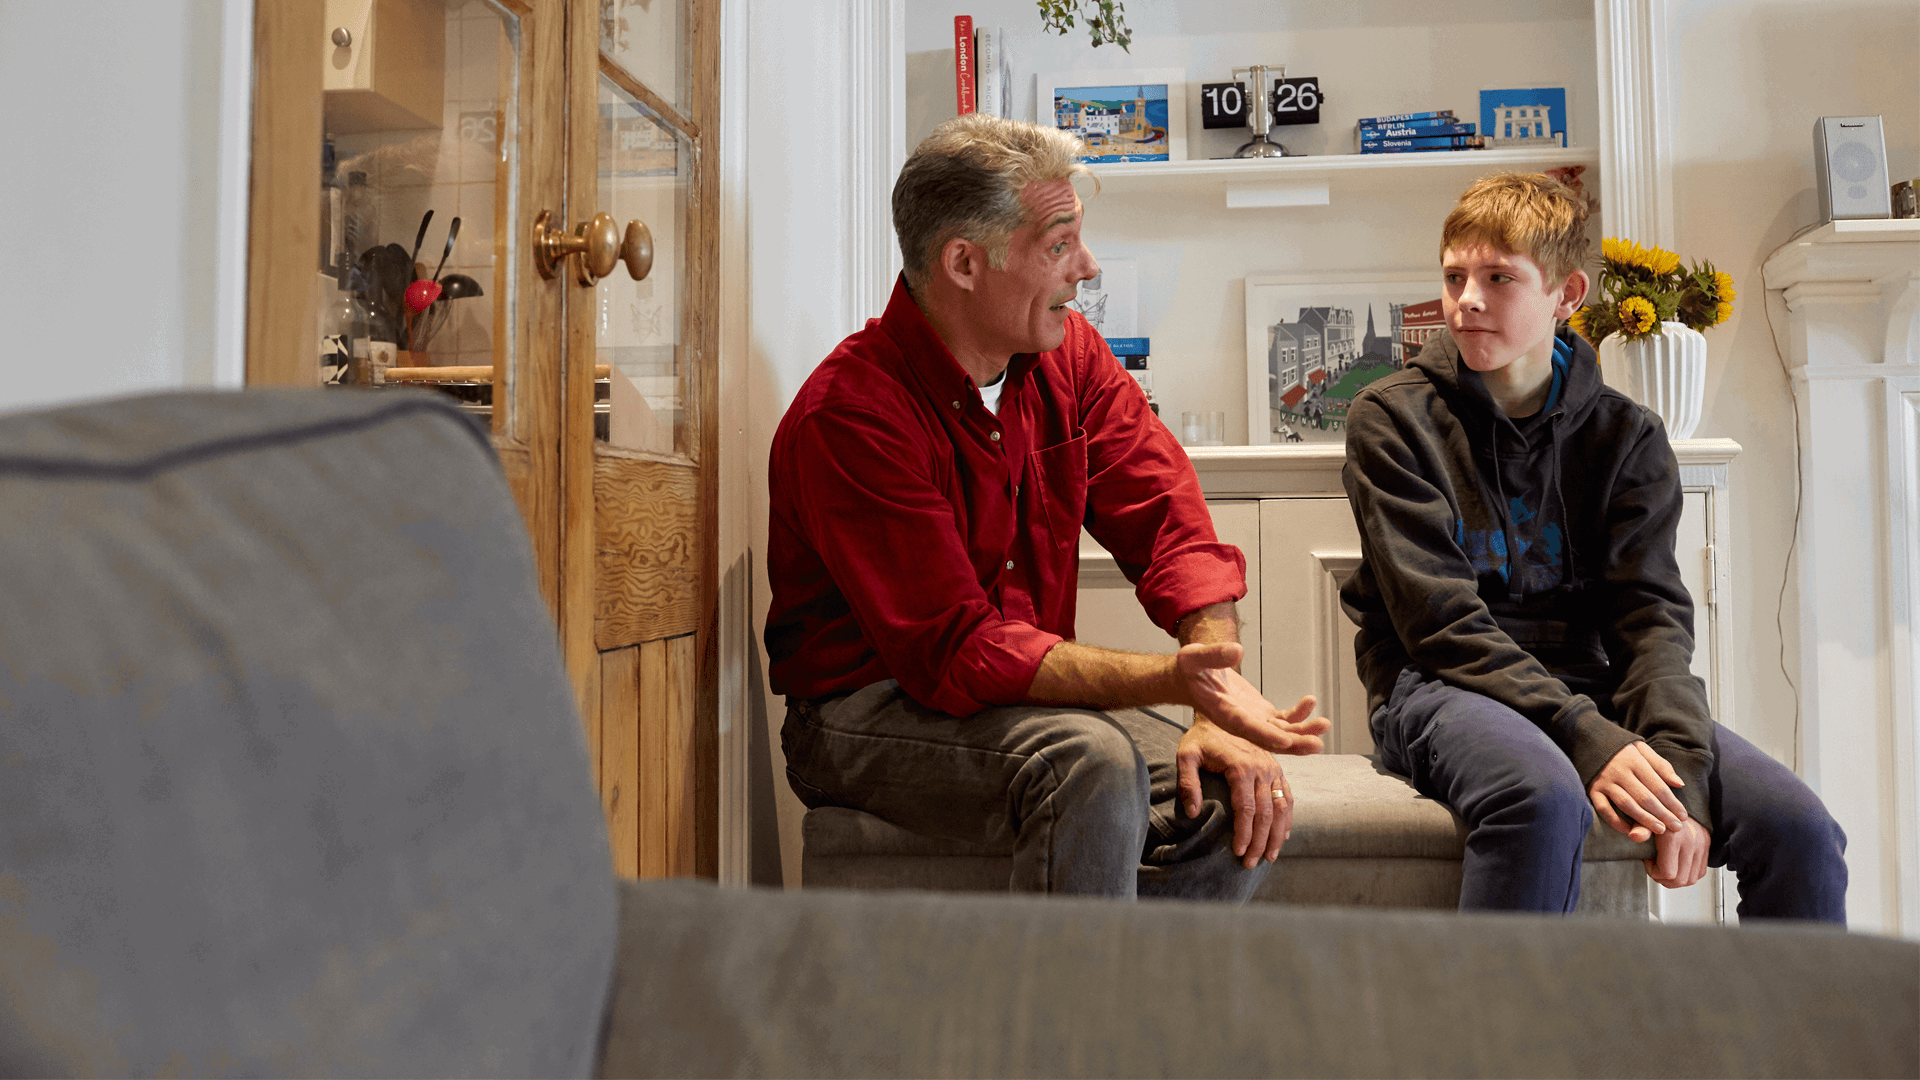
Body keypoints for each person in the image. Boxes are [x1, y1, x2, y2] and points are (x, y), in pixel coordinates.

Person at [765, 114, 1329, 900]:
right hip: (862, 709)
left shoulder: (1072, 358)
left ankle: (1111, 978)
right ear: (964, 262)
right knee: (1089, 764)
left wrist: (1214, 693)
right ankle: (1070, 984)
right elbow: (958, 651)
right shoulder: (851, 417)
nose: (1087, 268)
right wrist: (1177, 681)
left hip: (1013, 694)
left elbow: (1170, 522)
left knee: (1233, 790)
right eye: (1060, 244)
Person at [1340, 171, 1847, 918]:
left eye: (1498, 278)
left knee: (1800, 830)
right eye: (1453, 277)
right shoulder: (1392, 418)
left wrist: (1680, 767)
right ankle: (1497, 1005)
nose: (1466, 299)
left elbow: (1650, 621)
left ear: (1567, 295)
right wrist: (1588, 737)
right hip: (1438, 682)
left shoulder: (1627, 435)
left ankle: (1788, 1006)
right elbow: (1439, 624)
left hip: (1593, 680)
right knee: (1540, 798)